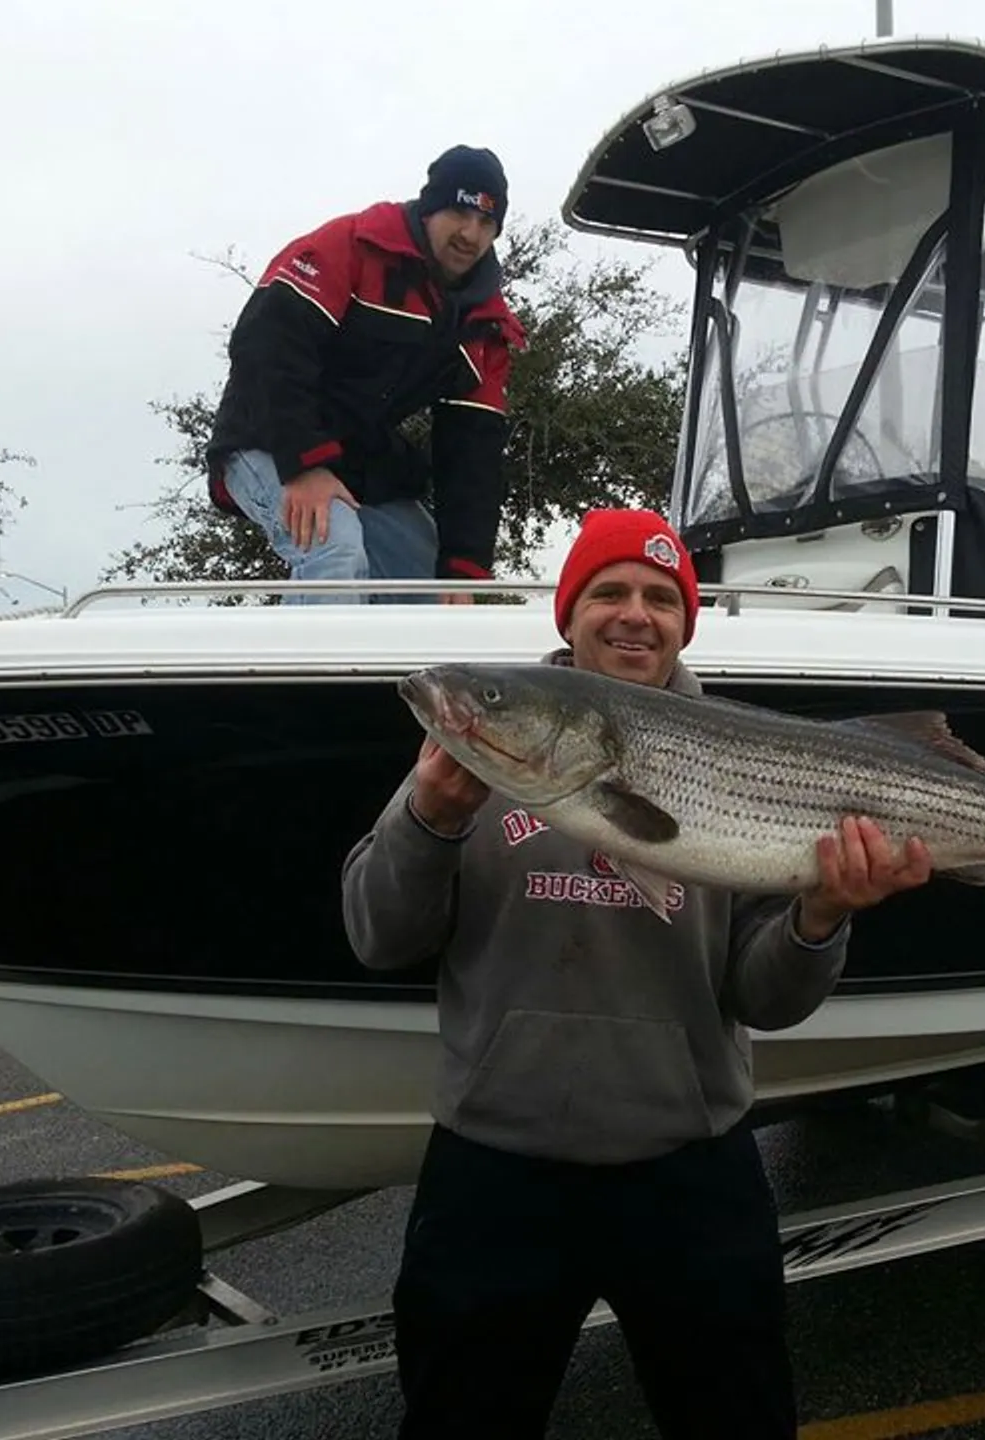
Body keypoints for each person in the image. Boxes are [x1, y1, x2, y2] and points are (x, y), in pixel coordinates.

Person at [341, 507, 935, 1438]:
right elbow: (378, 936)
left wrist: (822, 915)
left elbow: (766, 1000)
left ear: (684, 625)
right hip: (496, 1174)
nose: (635, 614)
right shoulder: (476, 749)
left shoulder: (741, 754)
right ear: (569, 616)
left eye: (662, 598)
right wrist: (430, 820)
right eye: (609, 591)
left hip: (690, 1170)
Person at [204, 145, 525, 604]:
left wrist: (464, 566)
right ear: (430, 206)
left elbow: (473, 449)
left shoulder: (485, 324)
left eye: (487, 224)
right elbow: (267, 349)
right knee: (333, 548)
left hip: (358, 459)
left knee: (433, 587)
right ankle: (309, 676)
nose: (471, 235)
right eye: (460, 212)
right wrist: (305, 464)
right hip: (269, 438)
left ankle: (415, 678)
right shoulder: (351, 246)